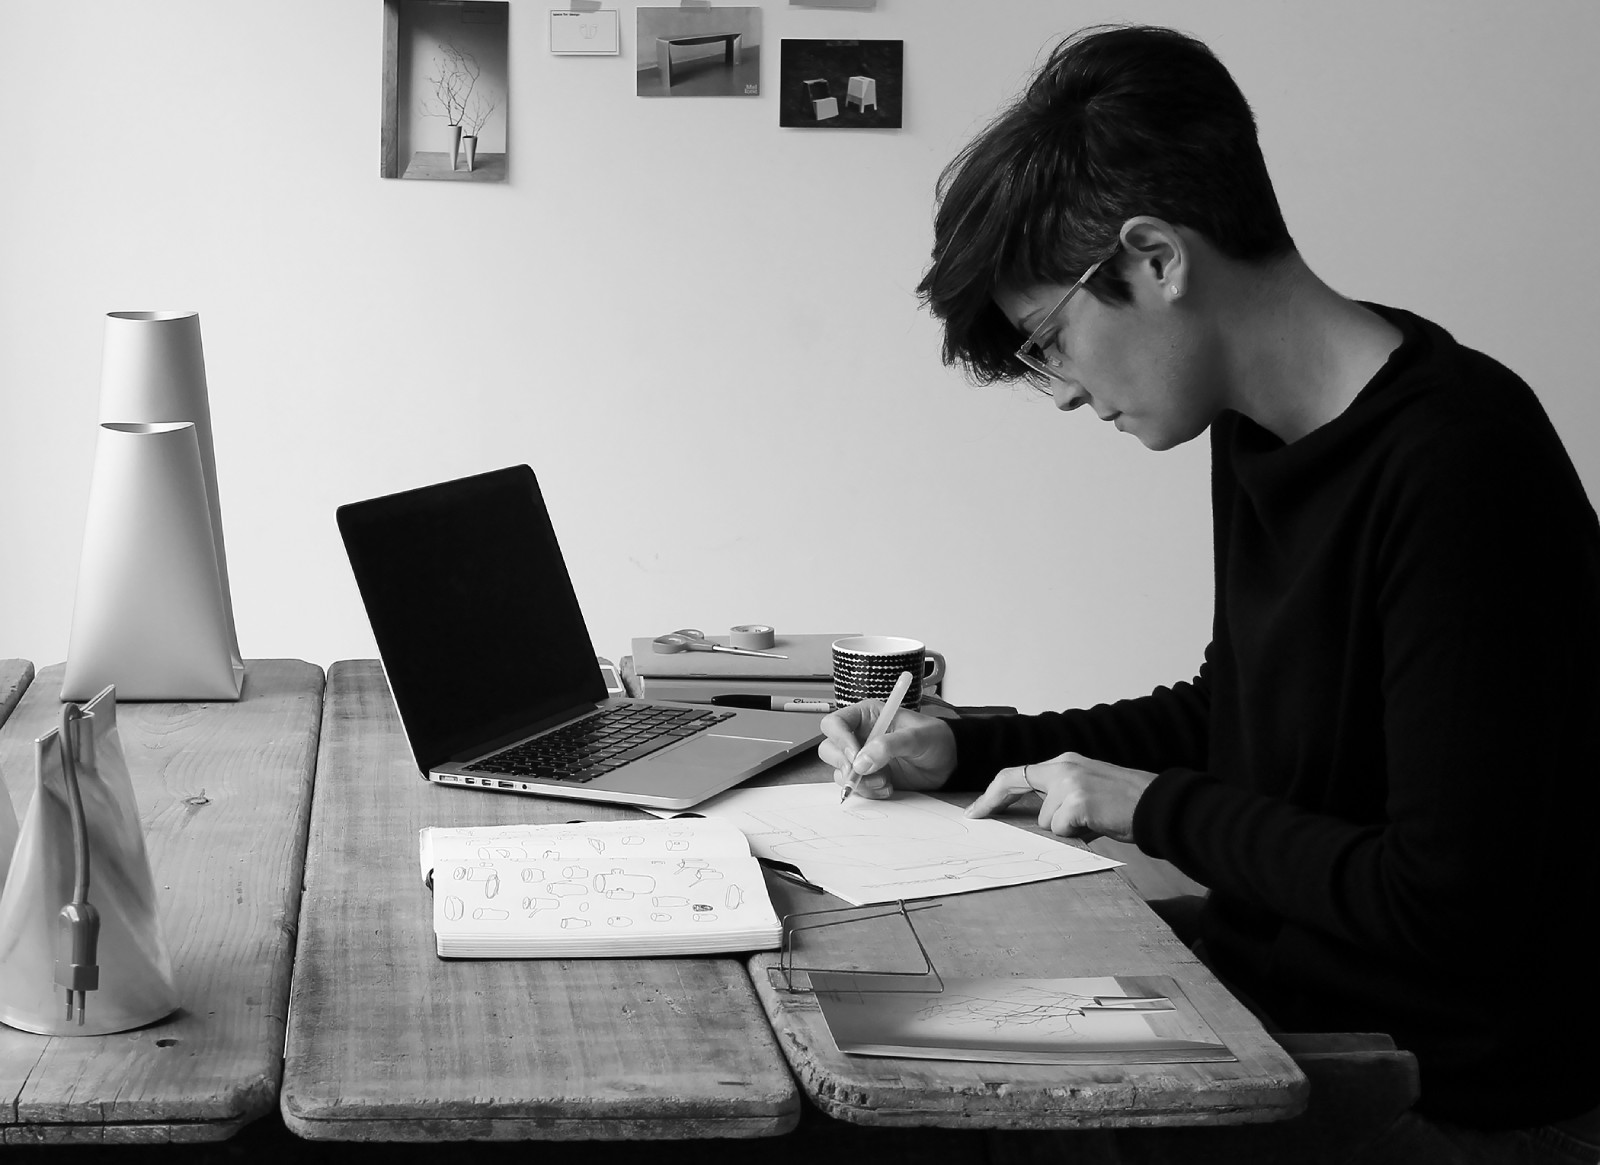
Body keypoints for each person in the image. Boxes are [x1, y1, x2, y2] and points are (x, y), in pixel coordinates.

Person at [817, 24, 1600, 1164]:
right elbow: (1231, 715)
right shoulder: (1258, 431)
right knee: (869, 1030)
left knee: (924, 1112)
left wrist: (1148, 807)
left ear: (1154, 259)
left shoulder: (1458, 461)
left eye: (1048, 342)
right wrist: (971, 745)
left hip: (1451, 1086)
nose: (1067, 393)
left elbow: (1445, 902)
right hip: (1273, 1004)